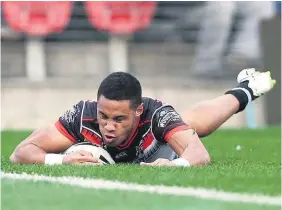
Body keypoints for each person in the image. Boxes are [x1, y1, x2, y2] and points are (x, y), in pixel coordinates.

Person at [10, 68, 276, 167]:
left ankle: (246, 90)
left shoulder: (157, 115)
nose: (108, 126)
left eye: (119, 119)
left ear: (138, 111)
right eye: (104, 116)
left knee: (195, 126)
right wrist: (62, 160)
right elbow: (21, 153)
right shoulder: (82, 116)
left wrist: (174, 166)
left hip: (156, 151)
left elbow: (200, 155)